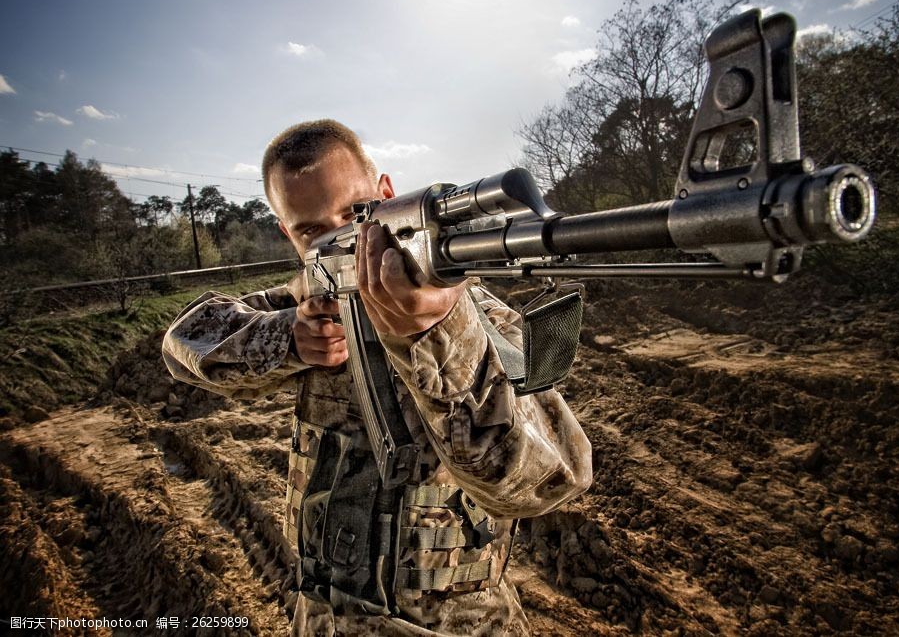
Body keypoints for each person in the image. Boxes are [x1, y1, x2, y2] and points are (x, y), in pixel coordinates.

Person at [161, 119, 593, 636]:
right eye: (312, 230)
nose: (341, 237)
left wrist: (435, 335)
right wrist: (288, 340)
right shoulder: (307, 302)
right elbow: (183, 340)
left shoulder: (473, 316)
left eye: (355, 213)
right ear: (287, 232)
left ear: (387, 195)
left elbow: (550, 480)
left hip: (457, 624)